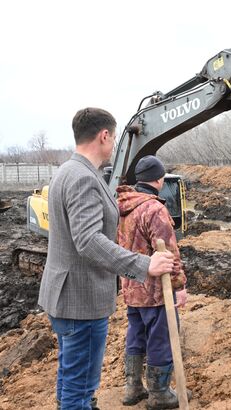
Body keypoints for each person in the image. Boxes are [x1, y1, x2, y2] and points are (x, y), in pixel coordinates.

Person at [37, 107, 175, 410]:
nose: (114, 145)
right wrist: (144, 264)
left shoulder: (67, 171)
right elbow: (88, 241)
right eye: (113, 138)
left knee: (70, 379)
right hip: (80, 300)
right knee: (79, 388)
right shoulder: (83, 178)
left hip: (65, 295)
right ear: (103, 136)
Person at [116, 156, 189, 409]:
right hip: (156, 291)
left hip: (130, 286)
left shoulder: (122, 205)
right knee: (161, 338)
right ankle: (159, 393)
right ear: (159, 179)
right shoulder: (154, 209)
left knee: (136, 333)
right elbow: (169, 254)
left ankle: (133, 387)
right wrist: (179, 287)